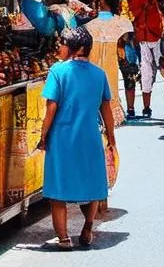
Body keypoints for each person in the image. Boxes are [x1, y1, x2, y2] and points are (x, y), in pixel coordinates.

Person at [38, 26, 117, 250]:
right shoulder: (99, 74)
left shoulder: (57, 71)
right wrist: (111, 138)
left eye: (63, 43)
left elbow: (51, 107)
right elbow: (106, 110)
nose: (59, 47)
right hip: (90, 136)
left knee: (57, 191)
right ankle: (88, 226)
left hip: (62, 137)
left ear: (75, 48)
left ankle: (63, 238)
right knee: (92, 183)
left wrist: (43, 134)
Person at [128, 0, 164, 126]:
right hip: (146, 39)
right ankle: (147, 107)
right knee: (148, 72)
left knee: (158, 71)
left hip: (155, 38)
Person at [85, 0, 133, 127]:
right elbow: (125, 41)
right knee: (110, 89)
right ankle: (110, 118)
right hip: (111, 63)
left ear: (103, 3)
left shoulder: (89, 25)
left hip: (93, 63)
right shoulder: (122, 23)